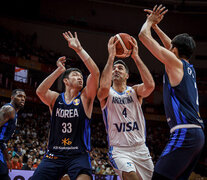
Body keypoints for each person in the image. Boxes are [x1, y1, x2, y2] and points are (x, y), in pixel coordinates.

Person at [139, 4, 205, 180]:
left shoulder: (175, 64)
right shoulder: (188, 67)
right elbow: (171, 45)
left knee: (159, 177)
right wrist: (156, 27)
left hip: (185, 132)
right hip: (196, 134)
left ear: (174, 51)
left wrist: (148, 22)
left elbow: (143, 37)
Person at [32, 31, 99, 180]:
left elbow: (95, 73)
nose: (80, 78)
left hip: (78, 155)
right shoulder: (56, 98)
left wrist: (79, 49)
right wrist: (59, 71)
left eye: (81, 76)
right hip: (54, 155)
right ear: (66, 81)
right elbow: (40, 91)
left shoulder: (86, 98)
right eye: (76, 75)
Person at [97, 36, 155, 180]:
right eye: (114, 68)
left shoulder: (135, 91)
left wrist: (136, 57)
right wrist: (111, 57)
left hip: (141, 148)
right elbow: (103, 86)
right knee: (131, 177)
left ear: (127, 75)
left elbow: (150, 86)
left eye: (120, 68)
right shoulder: (106, 93)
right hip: (119, 150)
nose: (116, 70)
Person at [0, 89, 26, 180]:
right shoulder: (8, 109)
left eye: (24, 97)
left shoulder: (14, 113)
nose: (22, 98)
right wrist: (6, 157)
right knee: (3, 174)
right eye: (19, 96)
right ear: (12, 97)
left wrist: (6, 157)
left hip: (1, 149)